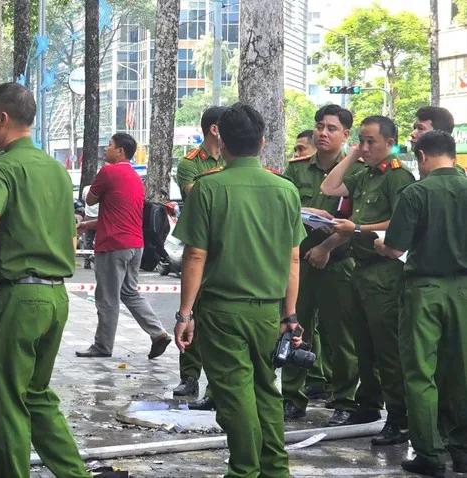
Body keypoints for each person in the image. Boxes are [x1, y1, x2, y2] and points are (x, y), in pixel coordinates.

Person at [0, 81, 94, 478]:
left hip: (18, 299)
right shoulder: (55, 170)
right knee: (35, 395)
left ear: (2, 119)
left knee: (7, 403)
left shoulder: (3, 166)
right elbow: (70, 235)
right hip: (56, 298)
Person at [172, 103, 305, 478]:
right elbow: (293, 259)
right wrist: (290, 315)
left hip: (222, 312)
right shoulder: (285, 190)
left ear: (222, 143)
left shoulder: (208, 187)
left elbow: (195, 255)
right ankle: (275, 469)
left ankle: (244, 470)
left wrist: (185, 314)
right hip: (267, 313)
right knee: (266, 390)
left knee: (234, 395)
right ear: (262, 143)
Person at [374, 131, 467, 477]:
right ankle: (462, 450)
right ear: (453, 155)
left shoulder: (416, 192)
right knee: (461, 371)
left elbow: (395, 248)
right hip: (464, 290)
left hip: (424, 290)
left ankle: (430, 453)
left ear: (423, 157)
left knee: (420, 373)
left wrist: (379, 246)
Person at [320, 115, 416, 445]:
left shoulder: (397, 176)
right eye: (361, 140)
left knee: (386, 346)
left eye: (370, 141)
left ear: (390, 143)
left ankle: (399, 417)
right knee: (362, 342)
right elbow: (329, 187)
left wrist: (358, 229)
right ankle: (369, 404)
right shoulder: (364, 174)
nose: (365, 147)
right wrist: (352, 154)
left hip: (384, 271)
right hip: (360, 269)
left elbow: (400, 222)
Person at [281, 105, 364, 425]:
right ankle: (292, 396)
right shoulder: (297, 169)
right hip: (300, 262)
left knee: (341, 336)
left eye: (331, 128)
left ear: (346, 135)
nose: (322, 133)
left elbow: (361, 220)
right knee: (295, 329)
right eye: (319, 126)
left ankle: (344, 400)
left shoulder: (357, 172)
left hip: (339, 263)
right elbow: (283, 205)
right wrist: (310, 211)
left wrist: (327, 247)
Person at [75, 133, 172, 359]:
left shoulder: (109, 172)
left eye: (109, 145)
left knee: (107, 297)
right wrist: (88, 225)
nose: (105, 149)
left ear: (120, 151)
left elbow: (90, 200)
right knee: (129, 292)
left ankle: (102, 346)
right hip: (134, 244)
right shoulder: (136, 178)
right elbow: (118, 216)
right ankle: (158, 332)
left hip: (113, 244)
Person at [172, 105, 227, 401]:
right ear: (215, 129)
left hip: (226, 244)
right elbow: (197, 195)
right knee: (191, 307)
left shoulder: (233, 157)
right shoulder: (190, 162)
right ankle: (190, 376)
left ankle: (216, 385)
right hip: (199, 243)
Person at [410, 106, 466, 177]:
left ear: (438, 134)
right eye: (415, 128)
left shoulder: (450, 176)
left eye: (420, 128)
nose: (412, 134)